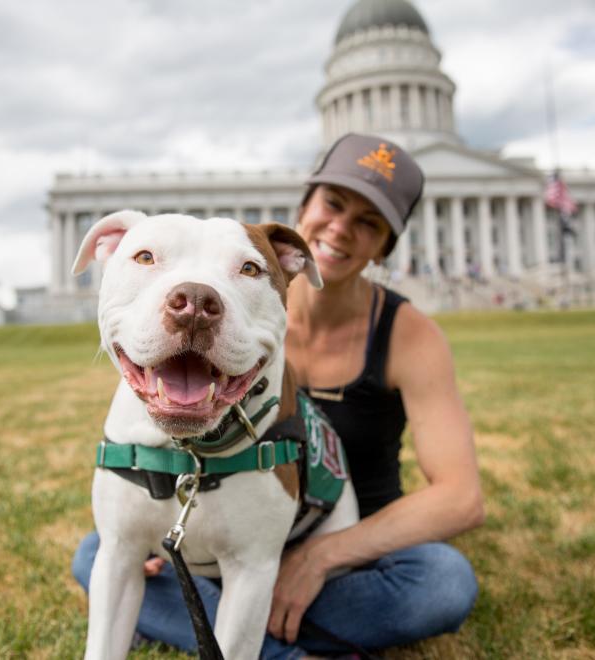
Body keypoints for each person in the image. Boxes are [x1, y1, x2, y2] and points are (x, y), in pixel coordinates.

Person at [72, 133, 485, 659]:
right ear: (304, 209)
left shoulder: (408, 333)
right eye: (333, 204)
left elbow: (461, 497)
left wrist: (321, 558)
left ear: (385, 245)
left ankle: (230, 621)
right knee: (98, 554)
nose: (340, 228)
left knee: (444, 582)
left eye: (368, 222)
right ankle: (271, 639)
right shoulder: (242, 297)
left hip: (339, 545)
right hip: (212, 541)